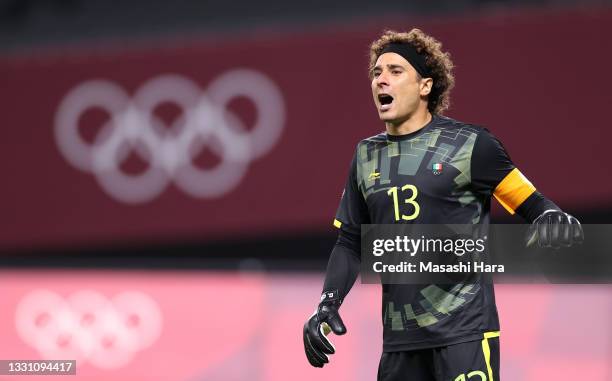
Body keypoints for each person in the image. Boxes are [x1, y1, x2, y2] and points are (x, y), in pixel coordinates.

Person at [302, 29, 583, 381]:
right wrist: (327, 302)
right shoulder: (365, 156)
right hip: (400, 345)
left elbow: (534, 204)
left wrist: (550, 216)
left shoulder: (471, 145)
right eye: (376, 72)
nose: (381, 80)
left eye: (395, 71)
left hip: (464, 334)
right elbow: (350, 243)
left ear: (425, 86)